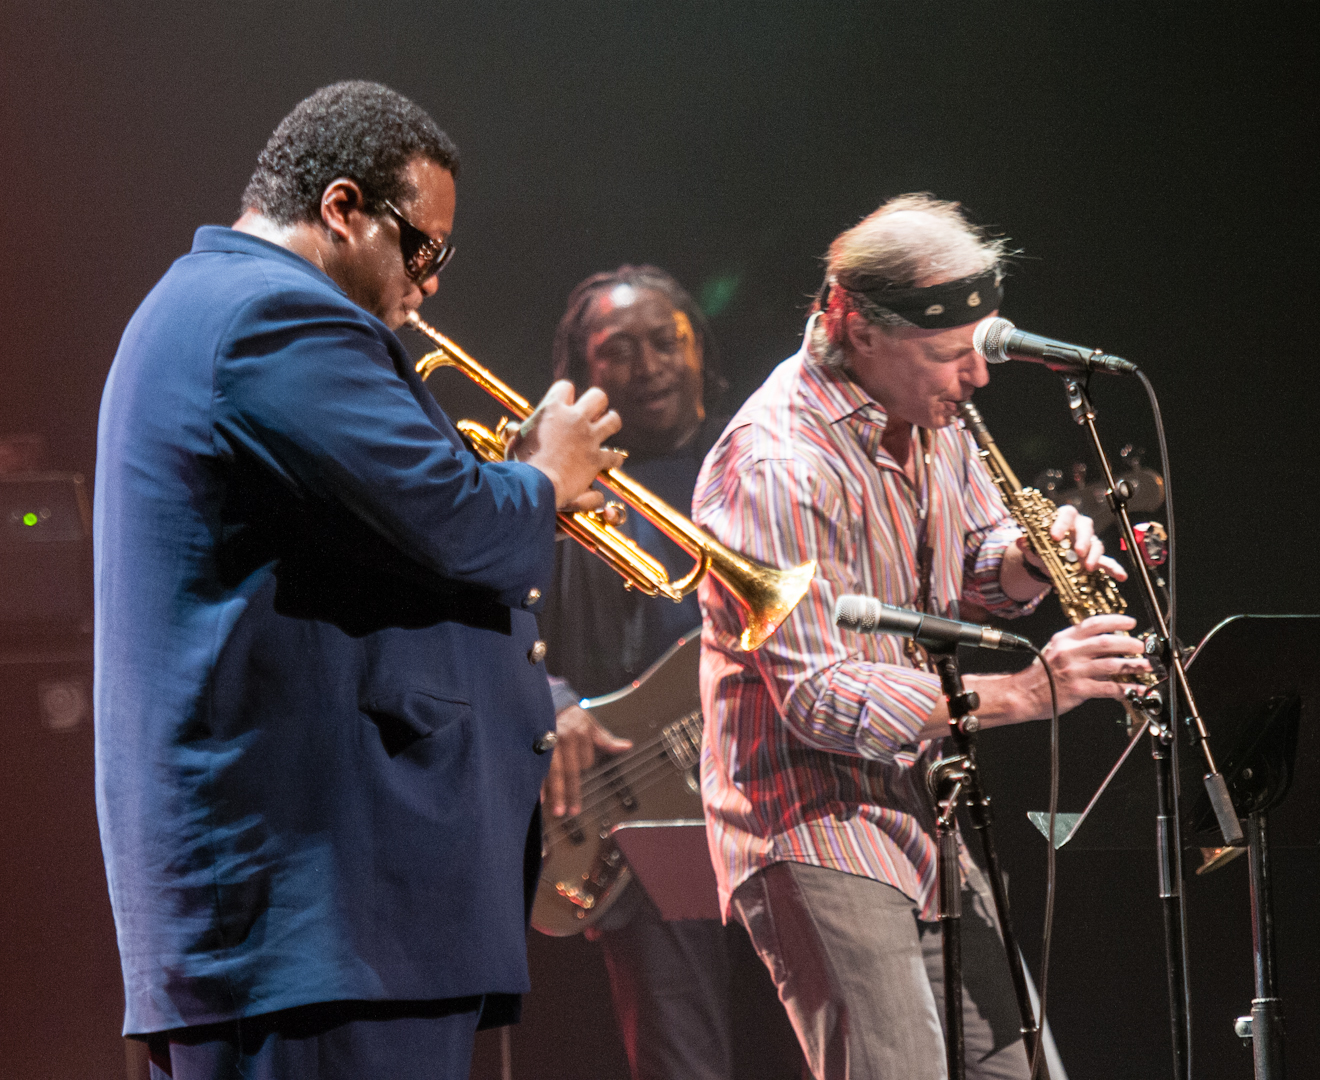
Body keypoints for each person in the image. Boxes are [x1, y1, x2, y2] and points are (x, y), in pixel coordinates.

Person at [94, 81, 623, 1080]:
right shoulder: (271, 317)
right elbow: (453, 523)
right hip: (316, 915)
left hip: (331, 925)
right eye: (420, 250)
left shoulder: (220, 309)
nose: (427, 287)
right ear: (342, 208)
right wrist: (544, 474)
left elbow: (392, 522)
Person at [692, 195, 1152, 1080]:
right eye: (950, 356)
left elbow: (979, 560)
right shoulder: (776, 462)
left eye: (977, 352)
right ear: (855, 326)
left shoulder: (937, 422)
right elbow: (819, 699)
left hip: (921, 812)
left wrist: (1027, 556)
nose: (976, 379)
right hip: (811, 823)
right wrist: (1024, 693)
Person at [536, 267, 802, 1080]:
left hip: (778, 800)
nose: (648, 365)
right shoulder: (554, 492)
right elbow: (501, 619)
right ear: (583, 376)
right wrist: (554, 706)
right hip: (642, 814)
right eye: (618, 352)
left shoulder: (762, 463)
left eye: (665, 341)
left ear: (700, 351)